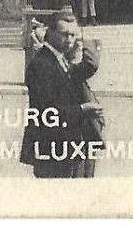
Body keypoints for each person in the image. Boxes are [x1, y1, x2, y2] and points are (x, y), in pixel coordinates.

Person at [20, 10, 105, 178]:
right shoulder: (42, 65)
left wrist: (83, 42)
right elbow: (47, 112)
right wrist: (83, 109)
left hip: (70, 149)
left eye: (73, 35)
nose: (70, 40)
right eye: (64, 34)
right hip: (54, 153)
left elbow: (88, 67)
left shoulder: (61, 59)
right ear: (49, 33)